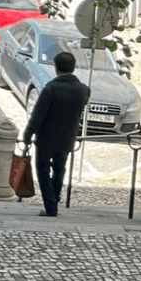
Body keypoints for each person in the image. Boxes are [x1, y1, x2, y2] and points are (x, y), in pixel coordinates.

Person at [21, 50, 90, 217]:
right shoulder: (83, 90)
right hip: (67, 139)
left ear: (56, 67)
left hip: (46, 139)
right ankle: (55, 199)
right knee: (60, 170)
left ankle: (51, 206)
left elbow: (37, 116)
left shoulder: (51, 89)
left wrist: (28, 135)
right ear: (73, 68)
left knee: (42, 171)